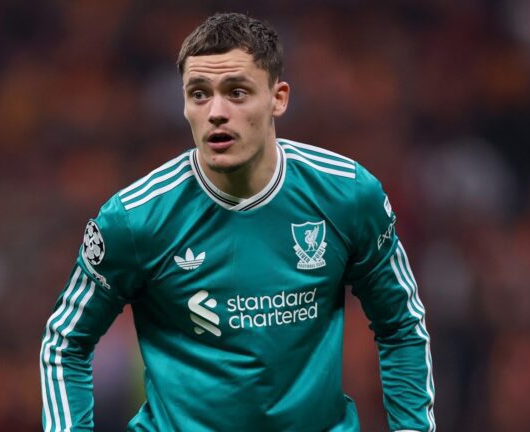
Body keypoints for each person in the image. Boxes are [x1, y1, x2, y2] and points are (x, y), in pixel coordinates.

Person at [40, 12, 435, 432]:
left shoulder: (348, 195)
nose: (216, 112)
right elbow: (65, 342)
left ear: (278, 98)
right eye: (199, 94)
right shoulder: (134, 219)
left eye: (237, 92)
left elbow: (401, 324)